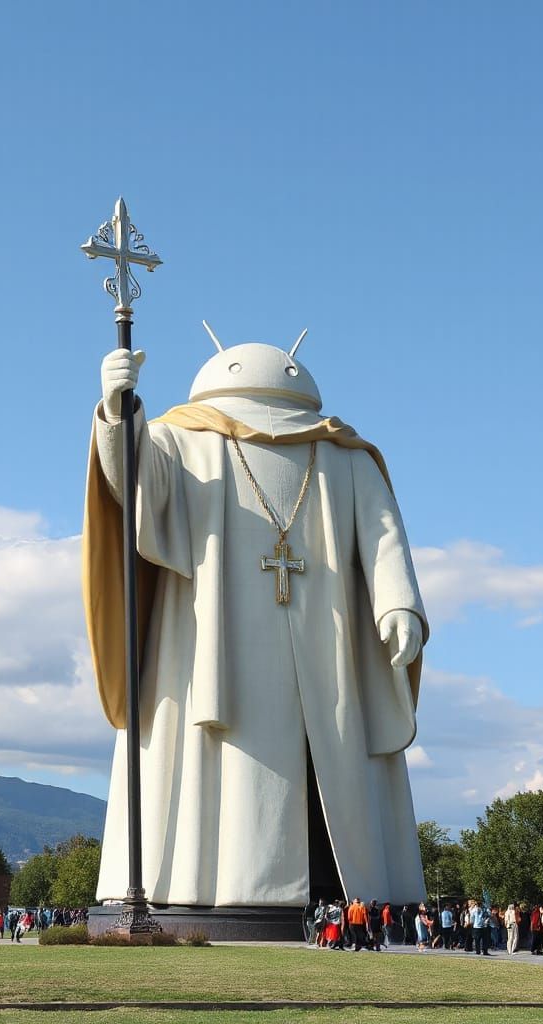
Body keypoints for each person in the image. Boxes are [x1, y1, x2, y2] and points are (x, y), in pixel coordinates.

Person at [87, 340, 429, 909]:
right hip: (207, 642)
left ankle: (352, 895)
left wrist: (398, 604)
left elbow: (383, 532)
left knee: (335, 748)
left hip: (330, 638)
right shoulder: (184, 438)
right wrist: (117, 410)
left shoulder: (344, 455)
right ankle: (204, 891)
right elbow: (135, 482)